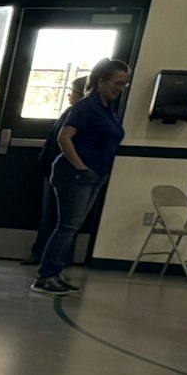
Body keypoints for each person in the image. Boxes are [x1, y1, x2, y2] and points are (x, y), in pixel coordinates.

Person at [34, 58, 130, 295]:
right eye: (117, 83)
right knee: (67, 225)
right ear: (101, 81)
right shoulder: (86, 107)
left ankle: (54, 273)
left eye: (124, 84)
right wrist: (81, 168)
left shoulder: (107, 109)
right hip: (76, 175)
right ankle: (45, 276)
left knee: (71, 226)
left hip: (95, 174)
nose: (120, 88)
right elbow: (64, 138)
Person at [28, 74, 86, 266]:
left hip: (68, 172)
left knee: (65, 218)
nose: (70, 96)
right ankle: (41, 253)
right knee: (49, 215)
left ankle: (58, 258)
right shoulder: (69, 113)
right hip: (52, 169)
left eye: (73, 92)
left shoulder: (81, 115)